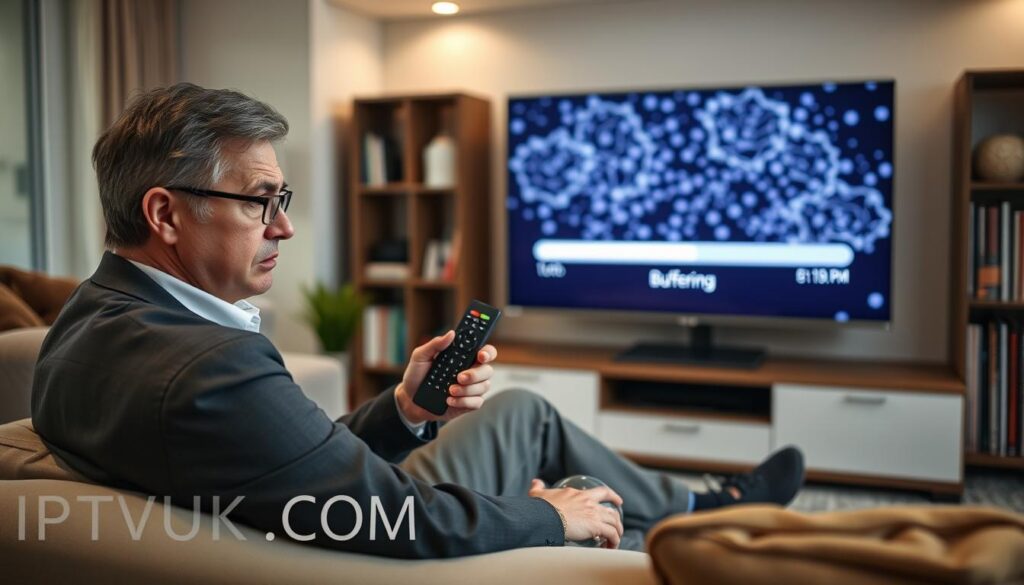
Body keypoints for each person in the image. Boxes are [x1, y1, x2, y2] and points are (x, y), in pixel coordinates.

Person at [31, 83, 805, 558]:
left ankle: (708, 507)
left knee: (522, 410)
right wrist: (542, 513)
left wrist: (403, 410)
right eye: (260, 200)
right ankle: (703, 532)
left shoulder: (86, 321)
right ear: (165, 213)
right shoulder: (208, 367)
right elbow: (396, 515)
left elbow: (291, 460)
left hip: (312, 515)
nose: (283, 227)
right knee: (573, 489)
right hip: (372, 542)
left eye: (282, 201)